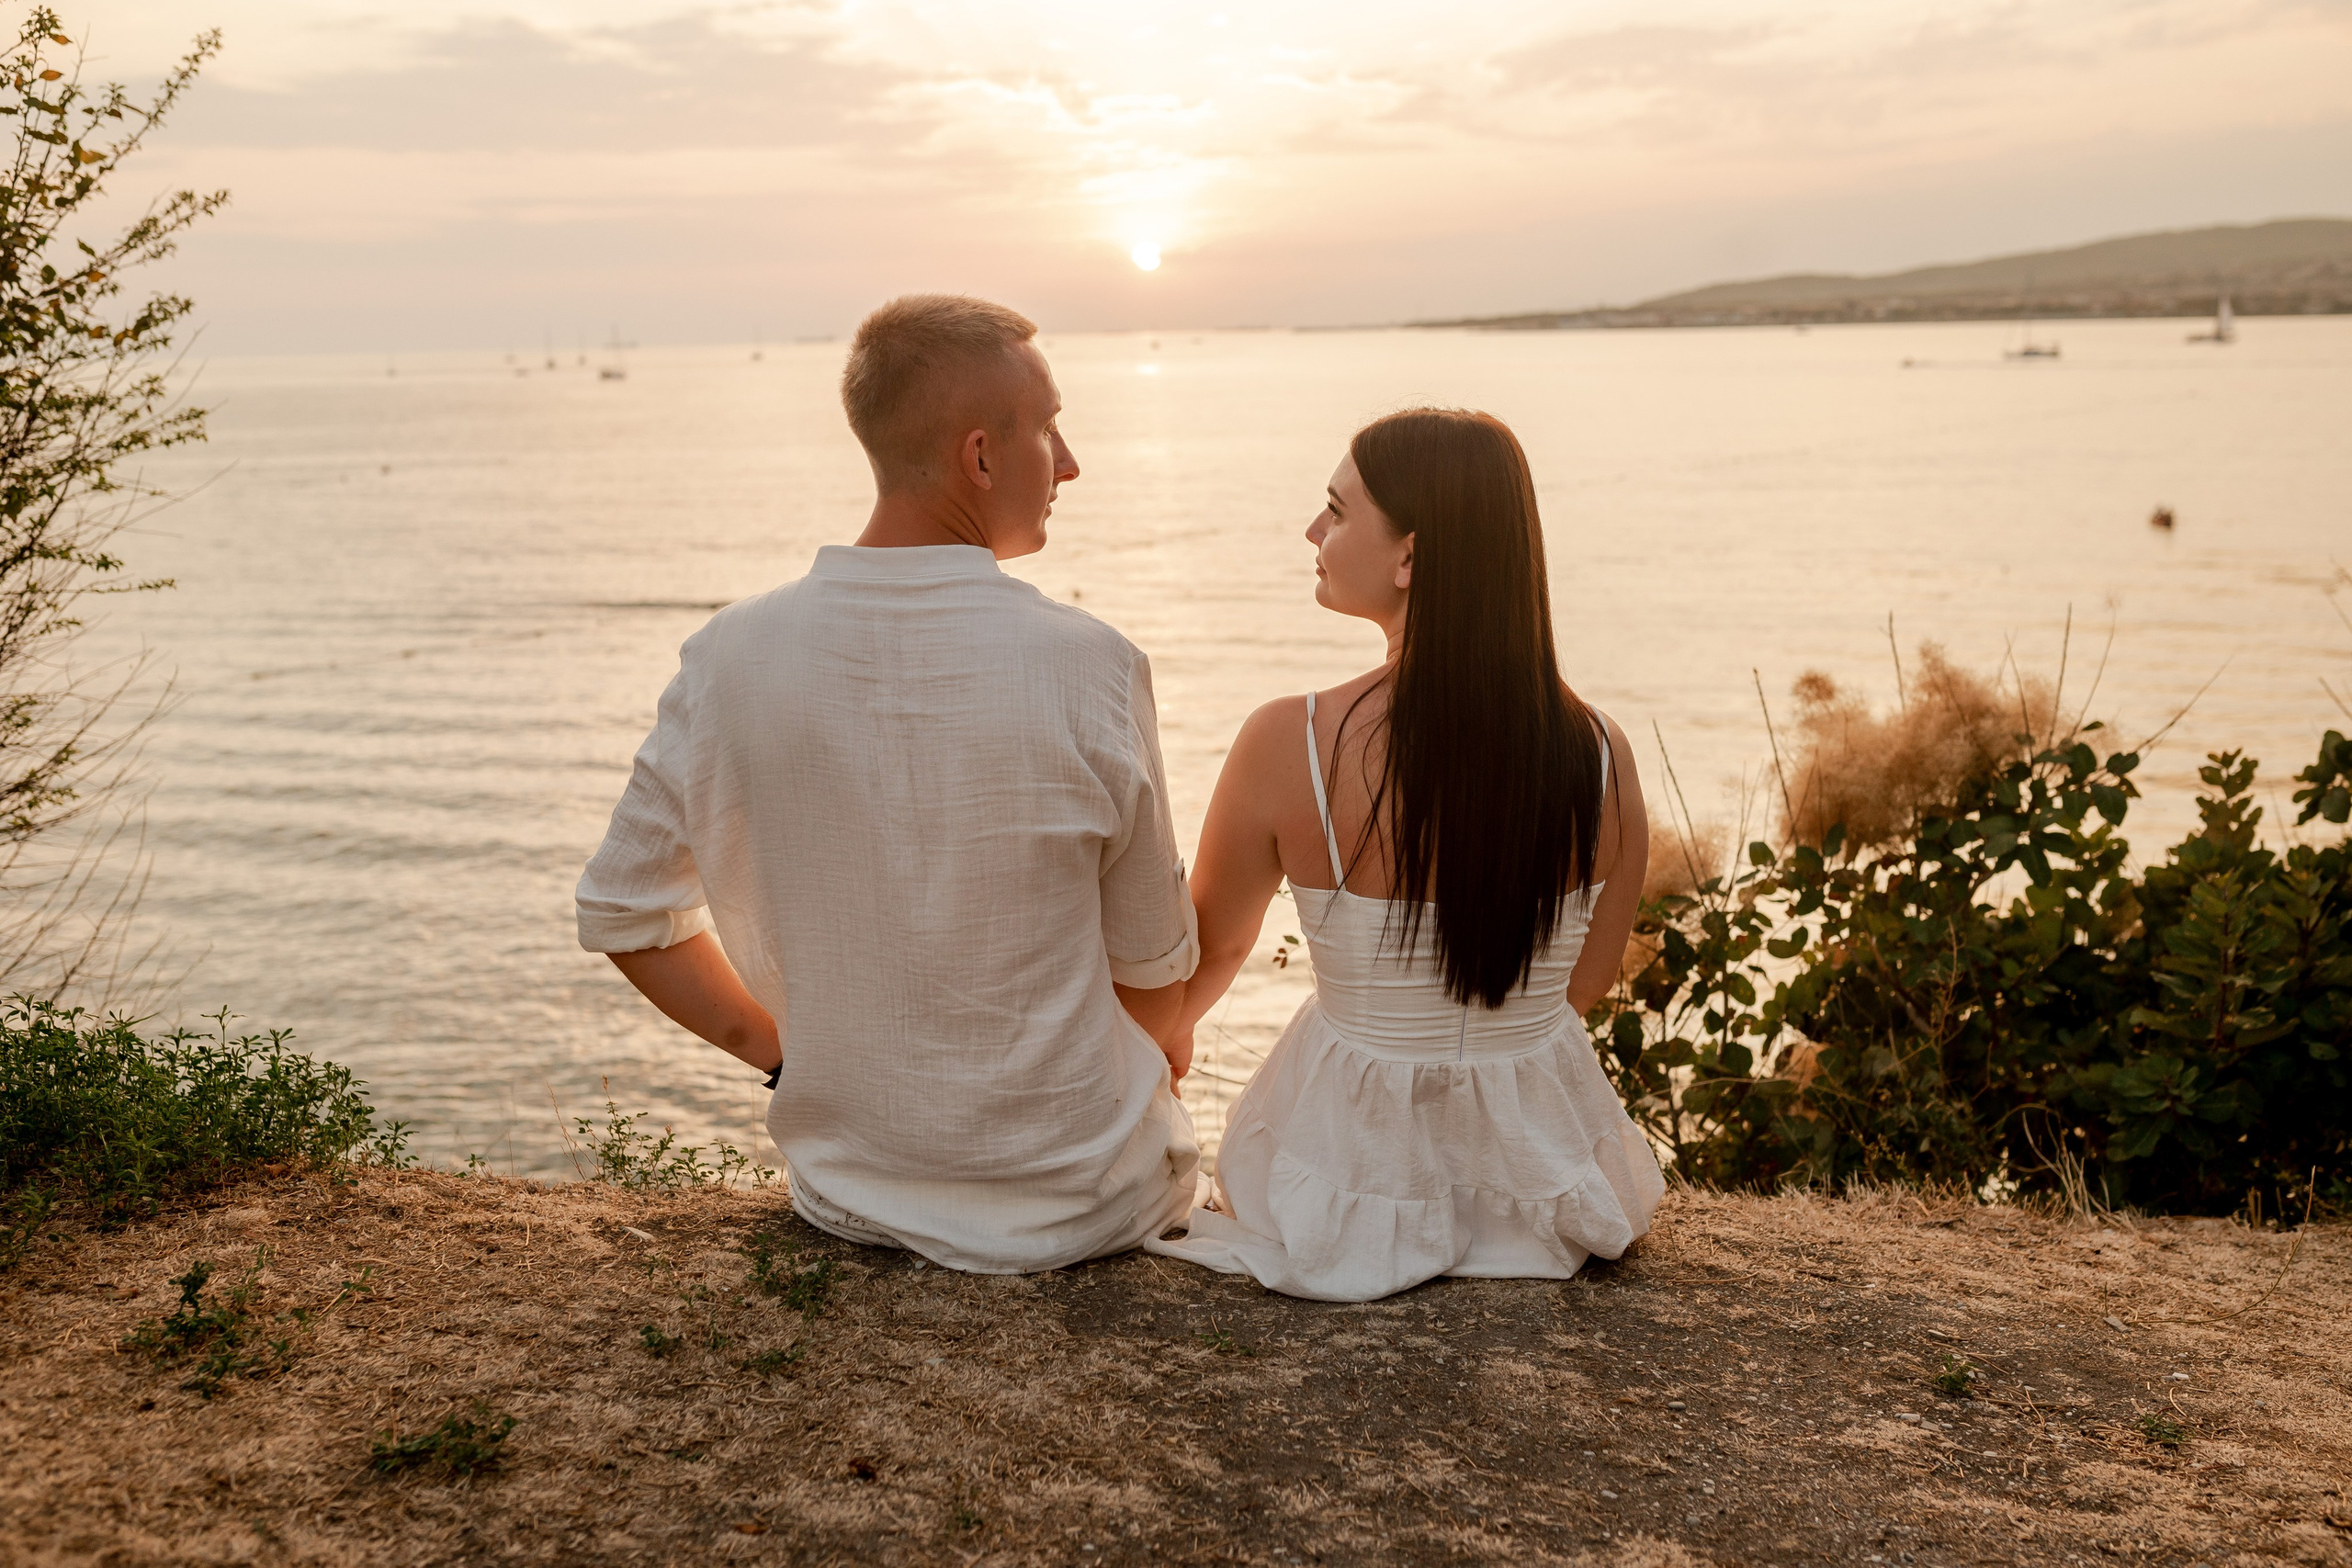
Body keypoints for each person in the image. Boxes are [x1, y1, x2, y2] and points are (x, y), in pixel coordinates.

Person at [576, 295, 1200, 1273]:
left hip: (850, 1194)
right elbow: (1155, 990)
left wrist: (787, 1056)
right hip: (1082, 1201)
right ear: (981, 456)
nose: (1070, 463)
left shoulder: (729, 657)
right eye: (1051, 429)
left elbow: (622, 910)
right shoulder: (1091, 666)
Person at [1146, 407, 1665, 1302]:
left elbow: (1214, 951)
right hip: (1542, 1178)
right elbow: (1584, 984)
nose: (1313, 531)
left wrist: (1161, 1044)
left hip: (1348, 1172)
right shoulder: (1602, 751)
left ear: (1410, 558)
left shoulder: (1290, 739)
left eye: (1336, 511)